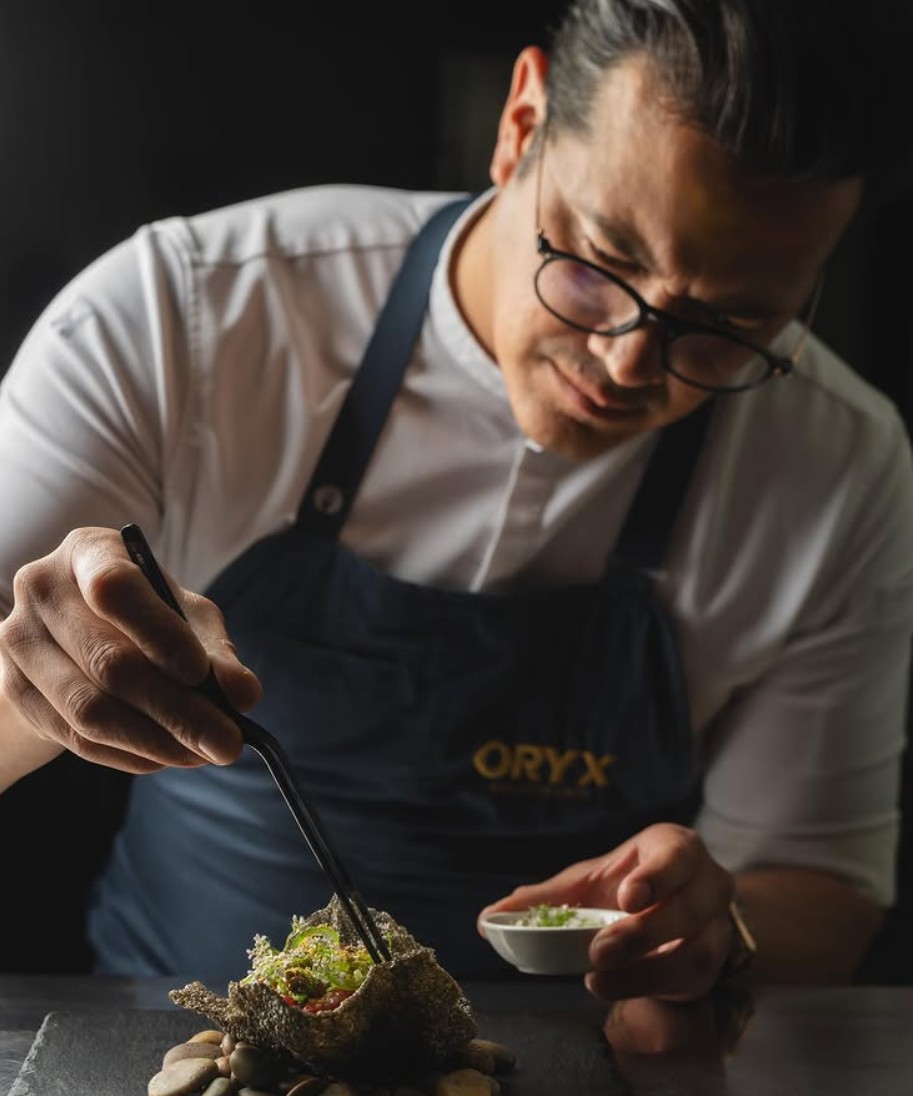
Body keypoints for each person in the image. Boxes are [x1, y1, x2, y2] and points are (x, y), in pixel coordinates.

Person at [1, 0, 912, 1002]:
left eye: (730, 324)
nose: (627, 363)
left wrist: (719, 932)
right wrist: (38, 685)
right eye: (600, 260)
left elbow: (817, 885)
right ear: (520, 124)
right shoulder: (185, 316)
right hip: (174, 1036)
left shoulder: (838, 464)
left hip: (583, 1057)